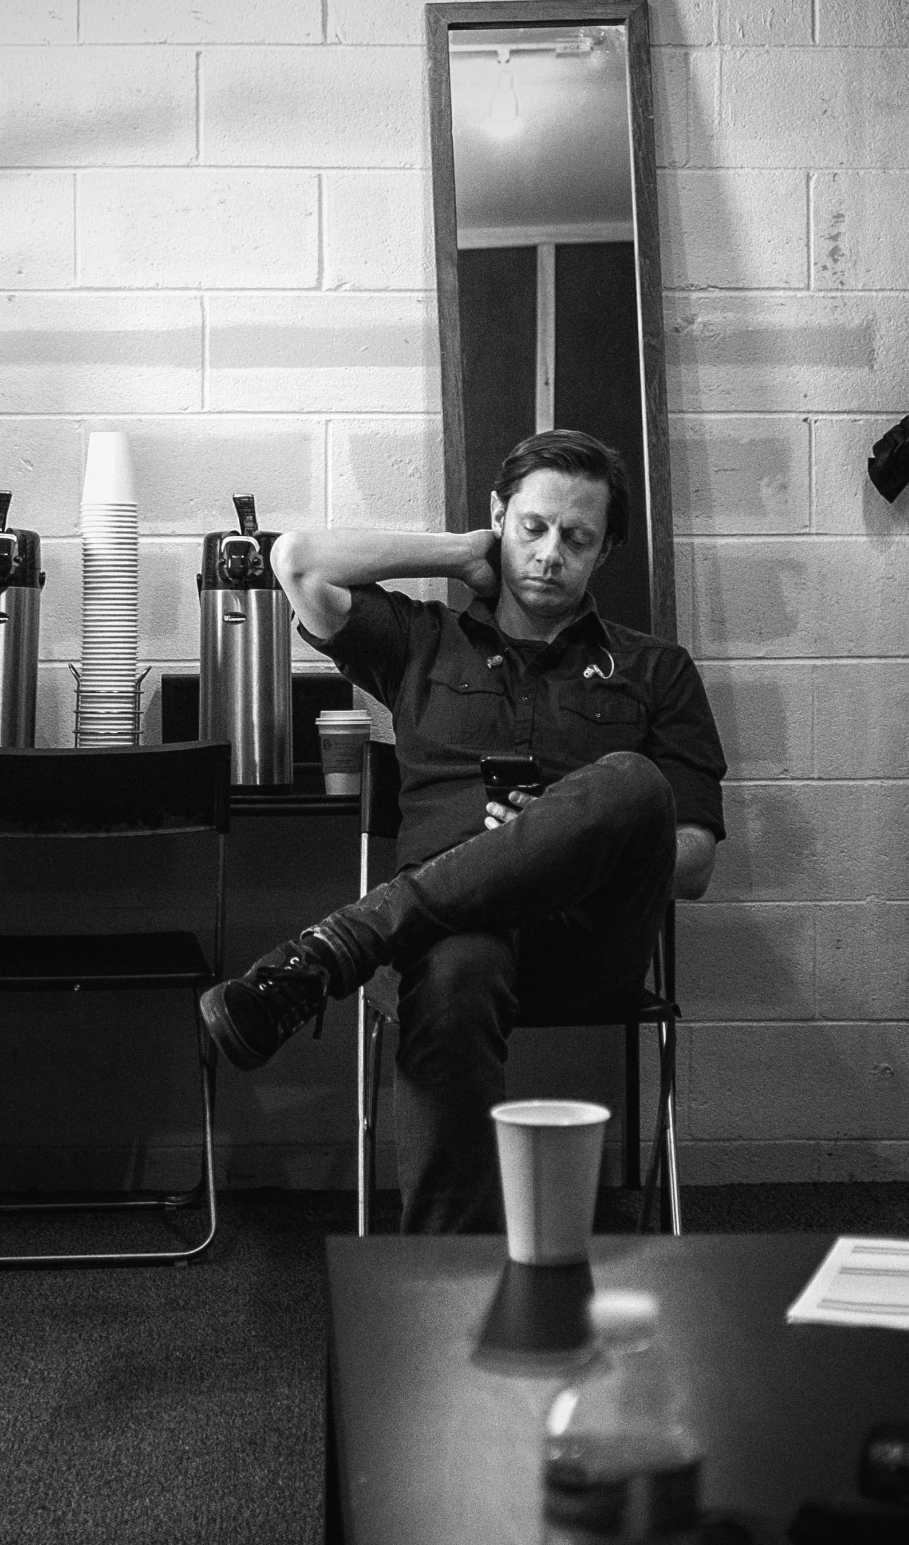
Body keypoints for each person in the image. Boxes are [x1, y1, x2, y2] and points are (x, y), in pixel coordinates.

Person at [199, 428, 727, 1234]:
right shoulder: (421, 641)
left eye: (576, 538)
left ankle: (341, 943)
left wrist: (559, 829)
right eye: (532, 527)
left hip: (586, 946)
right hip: (447, 945)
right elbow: (296, 558)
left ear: (604, 551)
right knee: (454, 964)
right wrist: (458, 553)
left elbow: (690, 864)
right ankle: (446, 1279)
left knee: (632, 781)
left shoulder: (655, 668)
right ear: (497, 519)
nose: (550, 553)